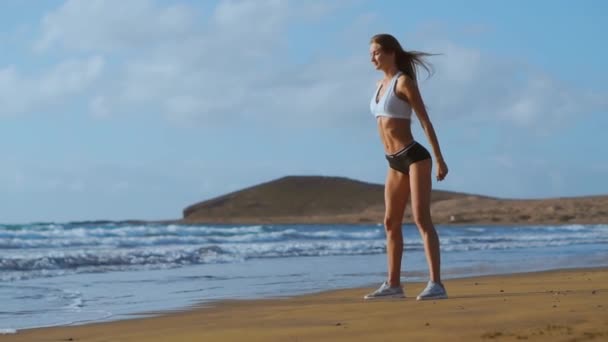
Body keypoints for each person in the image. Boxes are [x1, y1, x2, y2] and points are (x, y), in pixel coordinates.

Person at [364, 33, 448, 301]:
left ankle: (436, 284)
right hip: (393, 161)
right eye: (371, 54)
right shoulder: (379, 85)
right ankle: (393, 285)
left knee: (422, 219)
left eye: (377, 52)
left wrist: (439, 159)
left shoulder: (403, 82)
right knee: (390, 222)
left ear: (391, 53)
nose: (373, 57)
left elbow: (425, 122)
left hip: (414, 157)